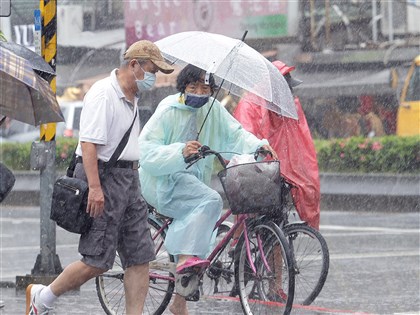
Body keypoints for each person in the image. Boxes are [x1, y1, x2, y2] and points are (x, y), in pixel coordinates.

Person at [25, 40, 174, 315]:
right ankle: (42, 297)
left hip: (130, 180)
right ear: (134, 65)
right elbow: (89, 145)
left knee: (140, 258)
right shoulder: (104, 94)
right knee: (97, 261)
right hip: (104, 178)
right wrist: (95, 188)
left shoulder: (132, 97)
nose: (155, 78)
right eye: (152, 70)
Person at [138, 64, 277, 315]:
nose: (200, 93)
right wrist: (179, 151)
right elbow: (146, 151)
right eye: (193, 87)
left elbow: (235, 134)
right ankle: (183, 260)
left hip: (192, 183)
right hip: (162, 180)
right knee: (211, 201)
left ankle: (179, 302)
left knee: (204, 232)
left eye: (205, 88)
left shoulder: (212, 110)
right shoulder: (168, 110)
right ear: (183, 87)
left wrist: (259, 145)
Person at [233, 60, 321, 230]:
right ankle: (239, 243)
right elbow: (243, 138)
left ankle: (277, 253)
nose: (290, 94)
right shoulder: (250, 105)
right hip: (255, 174)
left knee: (277, 224)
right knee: (252, 220)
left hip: (281, 173)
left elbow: (300, 142)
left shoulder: (289, 107)